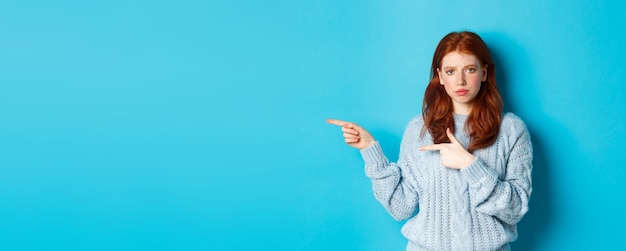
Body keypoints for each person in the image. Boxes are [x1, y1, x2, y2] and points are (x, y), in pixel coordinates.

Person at [327, 31, 533, 251]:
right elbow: (401, 207)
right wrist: (370, 151)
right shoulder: (420, 129)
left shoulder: (511, 129)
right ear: (440, 77)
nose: (461, 80)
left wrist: (470, 165)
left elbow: (515, 210)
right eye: (451, 71)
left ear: (484, 72)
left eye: (470, 70)